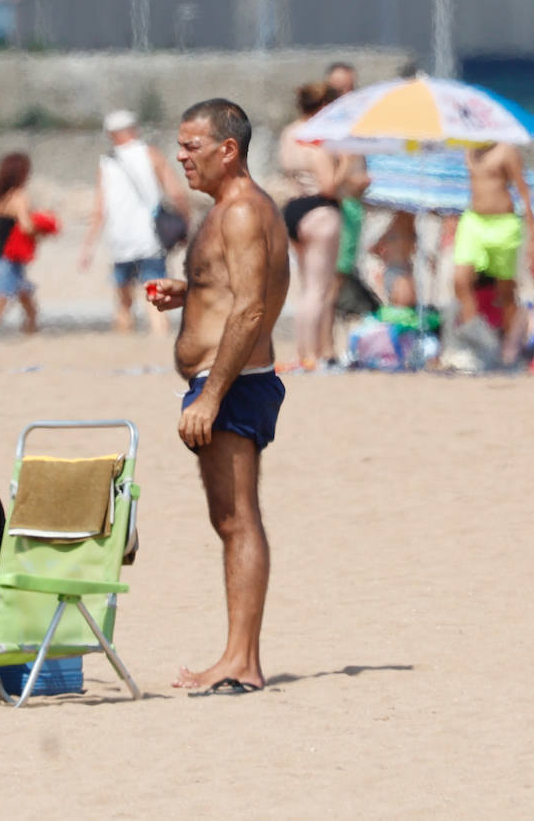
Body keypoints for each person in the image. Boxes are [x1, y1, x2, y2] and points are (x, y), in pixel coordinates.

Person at [146, 98, 290, 695]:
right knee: (229, 519)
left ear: (227, 149)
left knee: (238, 521)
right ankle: (237, 655)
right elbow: (238, 288)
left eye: (191, 146)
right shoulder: (233, 210)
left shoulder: (239, 212)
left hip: (232, 383)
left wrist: (212, 396)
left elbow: (254, 307)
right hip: (226, 380)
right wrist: (193, 291)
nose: (181, 157)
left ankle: (242, 661)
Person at [79, 109, 191, 336]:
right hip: (149, 238)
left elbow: (99, 209)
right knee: (155, 297)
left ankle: (124, 347)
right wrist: (186, 221)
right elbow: (176, 193)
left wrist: (88, 246)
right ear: (133, 128)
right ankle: (158, 346)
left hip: (119, 240)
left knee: (123, 302)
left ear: (111, 134)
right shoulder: (151, 154)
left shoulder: (107, 163)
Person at [277, 82, 343, 368]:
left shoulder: (289, 133)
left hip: (293, 207)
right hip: (319, 209)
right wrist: (347, 166)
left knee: (305, 288)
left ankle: (302, 352)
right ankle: (312, 354)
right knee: (319, 288)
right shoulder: (319, 137)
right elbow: (328, 185)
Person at [453, 142, 534, 336]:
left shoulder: (506, 150)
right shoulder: (470, 148)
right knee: (460, 280)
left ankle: (509, 346)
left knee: (506, 291)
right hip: (474, 220)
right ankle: (475, 337)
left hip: (503, 223)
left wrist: (533, 236)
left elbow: (524, 192)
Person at [0, 152, 59, 337]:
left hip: (0, 255)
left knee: (29, 304)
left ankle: (32, 335)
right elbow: (26, 226)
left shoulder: (0, 198)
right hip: (11, 257)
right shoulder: (19, 196)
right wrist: (45, 227)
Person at [326, 63, 372, 304]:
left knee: (344, 272)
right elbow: (330, 178)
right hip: (339, 205)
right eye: (339, 89)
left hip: (356, 204)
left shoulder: (355, 122)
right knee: (336, 275)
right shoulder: (326, 124)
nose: (346, 95)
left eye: (350, 88)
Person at [369, 212, 418, 308]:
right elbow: (373, 248)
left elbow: (373, 248)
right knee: (402, 309)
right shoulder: (401, 229)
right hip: (397, 272)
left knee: (402, 308)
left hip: (401, 270)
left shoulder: (407, 229)